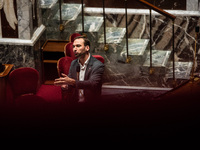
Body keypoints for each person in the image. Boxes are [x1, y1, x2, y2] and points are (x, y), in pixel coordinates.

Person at [54, 36, 105, 103]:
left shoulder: (97, 65)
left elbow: (93, 84)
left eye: (78, 46)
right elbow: (70, 84)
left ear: (87, 48)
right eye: (73, 46)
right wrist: (65, 86)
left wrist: (72, 82)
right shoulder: (73, 63)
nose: (75, 49)